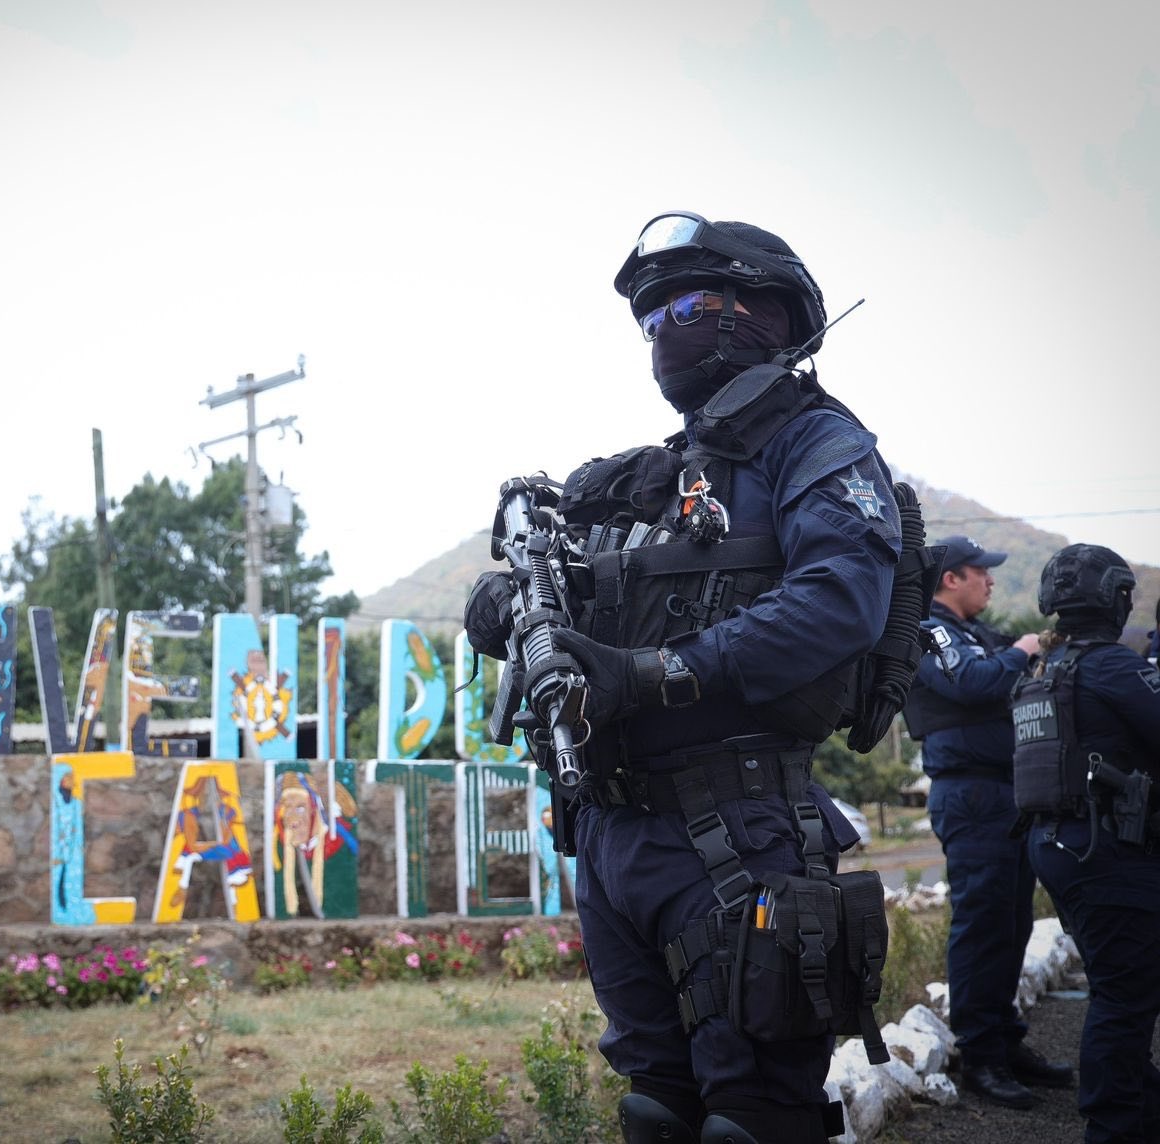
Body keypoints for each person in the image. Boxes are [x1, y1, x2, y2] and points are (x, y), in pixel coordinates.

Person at [466, 212, 905, 1143]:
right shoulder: (659, 476)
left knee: (752, 1116)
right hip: (616, 835)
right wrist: (501, 609)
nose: (666, 330)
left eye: (693, 304)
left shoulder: (818, 445)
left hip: (736, 829)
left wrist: (652, 673)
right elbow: (546, 576)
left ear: (769, 315)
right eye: (651, 316)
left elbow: (840, 601)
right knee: (655, 1103)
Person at [904, 535, 1073, 1109]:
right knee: (982, 930)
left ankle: (1004, 1042)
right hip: (971, 794)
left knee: (1011, 925)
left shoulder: (976, 637)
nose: (992, 581)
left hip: (1008, 793)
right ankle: (981, 1057)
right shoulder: (929, 631)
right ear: (950, 577)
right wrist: (1024, 649)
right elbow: (970, 683)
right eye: (982, 572)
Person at [1014, 544, 1160, 1144]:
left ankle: (1138, 1105)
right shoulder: (1111, 667)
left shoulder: (1040, 672)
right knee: (1125, 997)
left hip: (1061, 846)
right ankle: (1114, 1123)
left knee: (1123, 982)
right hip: (1108, 853)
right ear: (1117, 598)